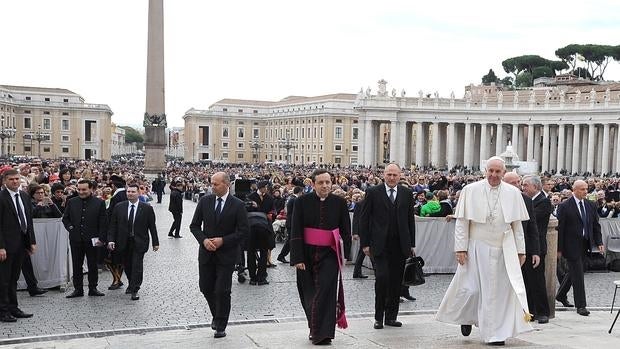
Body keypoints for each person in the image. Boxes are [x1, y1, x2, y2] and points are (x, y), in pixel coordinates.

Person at [436, 157, 531, 346]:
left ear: (504, 173)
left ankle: (496, 334)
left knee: (498, 294)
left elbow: (517, 225)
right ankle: (467, 317)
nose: (494, 175)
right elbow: (462, 222)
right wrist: (460, 248)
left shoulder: (513, 193)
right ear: (485, 171)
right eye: (491, 171)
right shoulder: (470, 191)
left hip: (504, 248)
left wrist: (521, 251)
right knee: (472, 289)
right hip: (476, 247)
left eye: (498, 172)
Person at [290, 169, 351, 345]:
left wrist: (345, 254)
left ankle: (324, 333)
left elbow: (346, 230)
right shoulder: (301, 202)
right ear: (313, 184)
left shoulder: (339, 202)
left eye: (327, 182)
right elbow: (295, 229)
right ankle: (314, 326)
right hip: (307, 253)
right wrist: (297, 257)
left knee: (325, 291)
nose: (325, 185)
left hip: (330, 254)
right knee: (308, 293)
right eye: (321, 182)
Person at [189, 171, 249, 339]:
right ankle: (217, 315)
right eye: (211, 183)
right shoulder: (205, 201)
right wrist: (204, 240)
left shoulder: (237, 205)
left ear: (226, 185)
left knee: (222, 290)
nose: (212, 187)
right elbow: (194, 226)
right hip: (206, 253)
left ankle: (221, 324)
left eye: (216, 184)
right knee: (206, 287)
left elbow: (243, 231)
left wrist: (224, 240)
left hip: (227, 254)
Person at [360, 163, 416, 330]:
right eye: (389, 174)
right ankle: (379, 316)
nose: (392, 178)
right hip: (379, 244)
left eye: (395, 175)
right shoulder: (373, 192)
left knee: (396, 282)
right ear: (384, 175)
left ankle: (391, 317)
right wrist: (365, 243)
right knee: (382, 278)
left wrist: (412, 243)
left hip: (400, 245)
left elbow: (409, 220)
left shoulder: (407, 193)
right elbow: (364, 219)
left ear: (400, 176)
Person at [556, 180, 604, 316]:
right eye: (582, 189)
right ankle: (581, 305)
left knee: (575, 271)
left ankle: (560, 295)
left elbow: (595, 225)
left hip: (585, 243)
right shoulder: (565, 206)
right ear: (574, 190)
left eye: (586, 189)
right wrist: (559, 249)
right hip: (570, 245)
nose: (585, 191)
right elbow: (561, 228)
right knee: (578, 274)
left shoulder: (590, 205)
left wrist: (599, 242)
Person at [107, 184, 159, 301]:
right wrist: (110, 239)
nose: (130, 193)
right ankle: (131, 283)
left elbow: (152, 227)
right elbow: (113, 225)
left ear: (138, 193)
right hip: (123, 242)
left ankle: (135, 289)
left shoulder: (146, 208)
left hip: (139, 242)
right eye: (128, 191)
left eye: (133, 192)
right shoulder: (119, 207)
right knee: (128, 265)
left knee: (137, 266)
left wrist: (155, 242)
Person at [0, 169, 37, 322]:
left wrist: (32, 241)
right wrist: (0, 246)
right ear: (4, 181)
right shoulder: (1, 197)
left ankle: (14, 308)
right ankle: (3, 311)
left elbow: (28, 221)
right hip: (6, 246)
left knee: (14, 278)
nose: (15, 182)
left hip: (21, 244)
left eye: (17, 179)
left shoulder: (24, 196)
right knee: (3, 280)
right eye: (11, 179)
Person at [62, 179, 107, 298]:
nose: (81, 192)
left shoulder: (99, 203)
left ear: (91, 189)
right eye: (79, 189)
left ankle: (93, 288)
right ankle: (78, 289)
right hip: (75, 239)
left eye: (84, 189)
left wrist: (101, 238)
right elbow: (65, 218)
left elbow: (103, 222)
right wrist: (71, 228)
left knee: (92, 265)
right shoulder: (71, 202)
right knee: (77, 265)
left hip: (93, 239)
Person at [522, 175, 553, 324]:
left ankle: (543, 312)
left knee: (538, 281)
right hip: (525, 246)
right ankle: (531, 311)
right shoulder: (528, 201)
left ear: (535, 187)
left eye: (526, 185)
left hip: (537, 247)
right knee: (527, 281)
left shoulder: (544, 202)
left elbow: (529, 218)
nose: (523, 188)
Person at [106, 175, 127, 290]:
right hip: (124, 231)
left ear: (113, 185)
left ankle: (116, 279)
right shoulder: (126, 194)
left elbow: (111, 214)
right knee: (120, 258)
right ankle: (118, 279)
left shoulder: (116, 197)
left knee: (110, 258)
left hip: (115, 231)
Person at [276, 186, 302, 264]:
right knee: (291, 240)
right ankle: (282, 256)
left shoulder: (291, 198)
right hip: (292, 222)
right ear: (300, 192)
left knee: (291, 240)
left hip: (290, 221)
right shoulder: (295, 199)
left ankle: (283, 256)